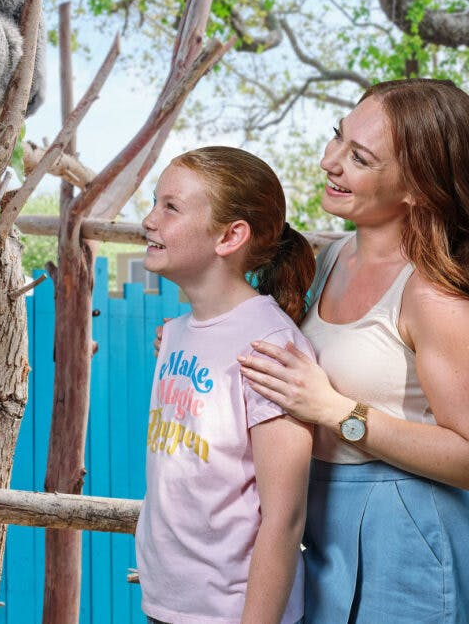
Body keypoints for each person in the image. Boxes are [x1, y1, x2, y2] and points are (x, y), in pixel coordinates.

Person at [237, 78, 469, 624]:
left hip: (404, 535)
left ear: (419, 187)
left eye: (359, 157)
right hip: (312, 520)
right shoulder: (327, 259)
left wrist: (337, 411)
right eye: (337, 138)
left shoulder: (437, 295)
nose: (328, 161)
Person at [137, 146, 318, 624]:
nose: (149, 219)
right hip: (167, 605)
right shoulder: (175, 334)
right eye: (155, 202)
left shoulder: (271, 347)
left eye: (170, 207)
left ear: (230, 235)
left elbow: (284, 520)